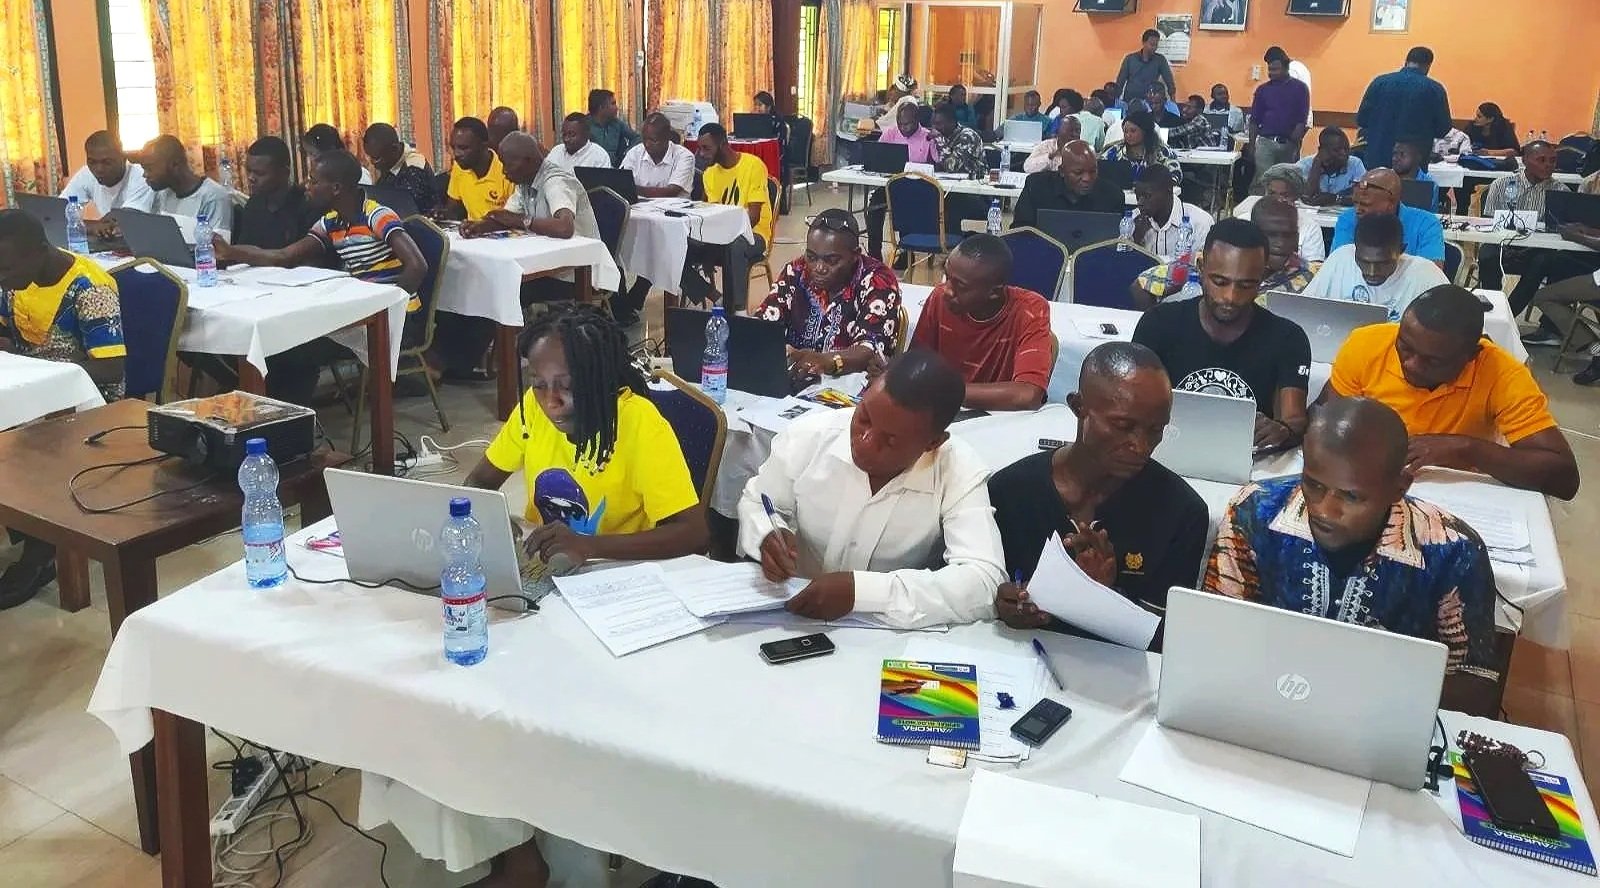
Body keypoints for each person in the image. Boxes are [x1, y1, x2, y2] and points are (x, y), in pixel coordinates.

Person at [439, 303, 708, 887]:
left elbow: (692, 533)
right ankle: (517, 853)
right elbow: (480, 482)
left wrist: (591, 546)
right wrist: (488, 531)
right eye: (539, 384)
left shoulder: (638, 422)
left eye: (565, 384)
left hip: (618, 589)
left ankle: (562, 853)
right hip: (544, 582)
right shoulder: (532, 411)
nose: (551, 399)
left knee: (548, 709)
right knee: (463, 695)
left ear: (599, 377)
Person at [1205, 396, 1502, 716]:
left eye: (1351, 496)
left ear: (1399, 488)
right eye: (1313, 485)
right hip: (1262, 702)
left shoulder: (1453, 550)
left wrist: (1359, 692)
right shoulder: (1255, 511)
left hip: (1383, 719)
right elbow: (1216, 632)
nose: (1325, 510)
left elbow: (1475, 686)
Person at [738, 351, 1007, 629]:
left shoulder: (957, 468)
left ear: (932, 443)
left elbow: (984, 581)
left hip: (888, 633)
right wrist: (766, 534)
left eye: (890, 440)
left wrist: (864, 593)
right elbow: (758, 502)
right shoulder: (810, 436)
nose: (865, 442)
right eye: (864, 418)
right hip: (788, 615)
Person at [991, 342, 1209, 647]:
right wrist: (1001, 604)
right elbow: (978, 592)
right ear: (1078, 407)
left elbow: (1166, 643)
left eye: (1155, 430)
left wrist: (1104, 600)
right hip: (1013, 656)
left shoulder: (1181, 512)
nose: (1141, 446)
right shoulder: (1011, 492)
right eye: (1123, 425)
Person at [1319, 285, 1579, 499]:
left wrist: (1466, 448)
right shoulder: (1366, 344)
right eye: (1405, 346)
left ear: (1472, 355)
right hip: (1371, 481)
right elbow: (1325, 418)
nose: (1411, 364)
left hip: (1460, 491)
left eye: (1433, 361)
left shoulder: (1502, 374)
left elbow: (1565, 479)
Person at [212, 150, 428, 405]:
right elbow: (284, 256)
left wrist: (387, 308)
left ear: (335, 188)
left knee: (300, 351)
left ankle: (288, 416)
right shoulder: (332, 221)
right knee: (286, 343)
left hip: (395, 318)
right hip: (361, 312)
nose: (307, 186)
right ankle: (276, 409)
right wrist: (231, 252)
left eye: (314, 181)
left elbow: (417, 266)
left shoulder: (377, 216)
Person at [0, 210, 126, 607]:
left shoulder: (89, 287)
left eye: (5, 268)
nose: (0, 278)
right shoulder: (15, 279)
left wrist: (37, 367)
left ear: (39, 250)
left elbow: (111, 366)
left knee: (24, 448)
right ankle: (27, 526)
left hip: (90, 404)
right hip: (34, 394)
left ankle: (41, 552)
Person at [1133, 219, 1311, 451]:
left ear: (1262, 278)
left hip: (1249, 460)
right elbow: (1133, 402)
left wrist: (1282, 430)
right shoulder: (1159, 324)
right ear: (1201, 269)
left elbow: (1295, 419)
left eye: (1246, 285)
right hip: (1164, 450)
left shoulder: (1288, 339)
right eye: (1220, 282)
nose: (1230, 297)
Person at [909, 235, 1052, 411]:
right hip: (943, 411)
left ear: (994, 292)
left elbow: (1028, 394)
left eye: (960, 286)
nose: (947, 290)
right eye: (947, 277)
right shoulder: (939, 299)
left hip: (998, 417)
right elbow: (915, 364)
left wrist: (942, 392)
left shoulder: (1029, 310)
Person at [756, 210, 900, 383]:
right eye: (811, 257)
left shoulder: (878, 280)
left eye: (831, 260)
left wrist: (825, 361)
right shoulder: (796, 270)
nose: (819, 268)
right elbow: (762, 325)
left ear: (855, 255)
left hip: (852, 386)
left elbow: (869, 351)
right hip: (795, 379)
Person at [464, 132, 600, 304]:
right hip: (548, 266)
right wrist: (480, 226)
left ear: (528, 161)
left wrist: (522, 220)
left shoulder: (556, 181)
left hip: (576, 274)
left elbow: (565, 228)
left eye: (507, 165)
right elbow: (508, 217)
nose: (504, 171)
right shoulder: (525, 182)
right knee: (490, 284)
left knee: (503, 291)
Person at [1136, 198, 1314, 307]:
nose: (1281, 244)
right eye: (1271, 235)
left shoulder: (1310, 276)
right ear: (1253, 232)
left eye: (1289, 235)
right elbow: (1141, 286)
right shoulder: (1210, 263)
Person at [613, 113, 698, 324]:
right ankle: (620, 300)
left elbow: (672, 191)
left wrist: (635, 189)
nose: (648, 145)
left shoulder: (684, 156)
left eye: (654, 140)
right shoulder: (635, 153)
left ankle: (637, 293)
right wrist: (631, 189)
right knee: (613, 242)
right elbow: (620, 182)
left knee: (660, 244)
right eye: (645, 139)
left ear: (667, 138)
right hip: (641, 216)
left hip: (675, 223)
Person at [1476, 141, 1572, 323]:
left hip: (1537, 250)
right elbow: (1489, 223)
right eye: (1541, 160)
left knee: (1544, 261)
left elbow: (1560, 230)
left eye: (1552, 160)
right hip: (1502, 244)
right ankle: (1491, 310)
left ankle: (1507, 317)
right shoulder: (1501, 185)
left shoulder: (1561, 192)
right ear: (1525, 160)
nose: (1548, 165)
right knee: (1487, 255)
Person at [688, 123, 772, 311]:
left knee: (735, 244)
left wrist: (718, 239)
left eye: (706, 148)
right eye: (699, 149)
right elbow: (709, 215)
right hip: (720, 236)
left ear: (723, 145)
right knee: (676, 246)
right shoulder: (709, 174)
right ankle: (715, 297)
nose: (701, 154)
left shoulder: (753, 165)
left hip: (754, 235)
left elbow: (753, 218)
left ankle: (738, 310)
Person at [1303, 213, 1448, 320]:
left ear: (1401, 251)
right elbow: (1304, 310)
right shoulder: (1340, 259)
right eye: (1364, 262)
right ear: (1354, 250)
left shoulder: (1427, 275)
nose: (1372, 272)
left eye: (1383, 263)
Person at [1356, 47, 1451, 177]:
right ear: (1428, 66)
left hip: (1377, 159)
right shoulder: (1435, 89)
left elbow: (1362, 120)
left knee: (1377, 189)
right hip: (1412, 163)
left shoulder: (1379, 82)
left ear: (1406, 61)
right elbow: (1443, 129)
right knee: (1410, 190)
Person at [1328, 168, 1446, 264]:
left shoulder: (1426, 224)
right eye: (1355, 203)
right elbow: (1339, 264)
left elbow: (1431, 273)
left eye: (1365, 204)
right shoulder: (1348, 219)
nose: (1357, 210)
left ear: (1391, 203)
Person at [870, 102, 941, 260]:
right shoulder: (890, 133)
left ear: (917, 120)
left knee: (906, 206)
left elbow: (938, 164)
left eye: (907, 124)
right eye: (900, 123)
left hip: (919, 188)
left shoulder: (928, 137)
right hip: (892, 185)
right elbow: (877, 156)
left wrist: (938, 142)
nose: (903, 128)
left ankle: (906, 253)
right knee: (874, 205)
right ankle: (874, 253)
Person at [230, 136, 319, 251]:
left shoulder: (307, 207)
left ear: (284, 173)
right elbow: (244, 249)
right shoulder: (254, 204)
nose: (251, 178)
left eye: (259, 173)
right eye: (249, 171)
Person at [1012, 140, 1126, 227]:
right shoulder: (1036, 187)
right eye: (1078, 172)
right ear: (1062, 171)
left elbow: (1118, 239)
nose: (1087, 178)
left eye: (1092, 171)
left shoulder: (1112, 195)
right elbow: (1020, 231)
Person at [1230, 163, 1326, 264]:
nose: (1277, 199)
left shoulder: (1310, 227)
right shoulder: (1244, 222)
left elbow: (1314, 268)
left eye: (1285, 195)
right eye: (1271, 193)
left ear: (1296, 197)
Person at [140, 134, 234, 232]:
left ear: (175, 164)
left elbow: (217, 241)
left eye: (149, 169)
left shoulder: (213, 197)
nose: (145, 175)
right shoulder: (162, 194)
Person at [1248, 47, 1311, 191]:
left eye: (1276, 69)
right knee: (1264, 181)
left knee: (1286, 182)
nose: (1272, 73)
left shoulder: (1300, 88)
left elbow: (1302, 117)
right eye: (1270, 69)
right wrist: (1251, 145)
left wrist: (1295, 141)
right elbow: (1254, 120)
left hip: (1288, 144)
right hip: (1266, 143)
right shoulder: (1262, 90)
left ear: (1286, 68)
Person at [58, 130, 153, 225]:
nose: (99, 169)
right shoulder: (86, 173)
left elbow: (125, 219)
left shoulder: (143, 175)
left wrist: (88, 226)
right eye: (92, 162)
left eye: (107, 162)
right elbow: (59, 210)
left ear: (124, 158)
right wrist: (92, 226)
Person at [1131, 166, 1215, 261]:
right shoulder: (1133, 220)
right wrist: (1135, 239)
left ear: (1168, 190)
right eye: (1137, 196)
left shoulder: (1200, 223)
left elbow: (1206, 265)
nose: (1140, 203)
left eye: (1147, 196)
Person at [930, 102, 988, 236]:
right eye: (933, 124)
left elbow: (952, 166)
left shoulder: (967, 136)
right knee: (927, 200)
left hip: (975, 194)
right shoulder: (941, 136)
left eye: (939, 124)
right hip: (948, 190)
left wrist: (940, 140)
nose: (935, 128)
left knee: (948, 204)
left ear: (952, 122)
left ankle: (952, 242)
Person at [440, 117, 512, 222]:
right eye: (453, 147)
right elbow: (453, 209)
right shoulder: (459, 167)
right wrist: (442, 214)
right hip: (470, 230)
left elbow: (513, 220)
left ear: (484, 146)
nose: (456, 154)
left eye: (463, 148)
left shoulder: (506, 171)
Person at [363, 122, 437, 215]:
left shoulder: (414, 168)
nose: (372, 162)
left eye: (376, 158)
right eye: (369, 156)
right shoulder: (390, 162)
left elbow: (404, 208)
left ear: (394, 149)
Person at [1100, 110, 1182, 181]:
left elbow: (1175, 172)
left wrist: (1165, 184)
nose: (1128, 135)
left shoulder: (1161, 151)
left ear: (1145, 131)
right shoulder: (1115, 151)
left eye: (1133, 131)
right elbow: (1100, 168)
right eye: (1125, 131)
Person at [1298, 127, 1367, 206]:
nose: (1344, 153)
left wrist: (1336, 198)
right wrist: (1316, 166)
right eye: (1337, 150)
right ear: (1322, 150)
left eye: (1346, 149)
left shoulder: (1355, 163)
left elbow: (1363, 196)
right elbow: (1307, 197)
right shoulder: (1305, 165)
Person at [1114, 29, 1175, 107]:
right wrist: (1116, 102)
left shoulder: (1160, 60)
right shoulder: (1130, 59)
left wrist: (1173, 102)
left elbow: (1169, 80)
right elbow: (1120, 81)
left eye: (1156, 45)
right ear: (1143, 43)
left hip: (1150, 103)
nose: (1154, 48)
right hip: (1130, 101)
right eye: (1152, 44)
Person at [545, 113, 615, 171]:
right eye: (564, 134)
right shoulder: (556, 151)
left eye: (572, 135)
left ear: (586, 134)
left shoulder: (599, 156)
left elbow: (602, 183)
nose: (566, 139)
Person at [587, 89, 639, 166]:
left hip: (615, 168)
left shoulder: (617, 123)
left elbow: (637, 138)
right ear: (601, 107)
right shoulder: (584, 125)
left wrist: (628, 152)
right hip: (593, 167)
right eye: (613, 104)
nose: (617, 108)